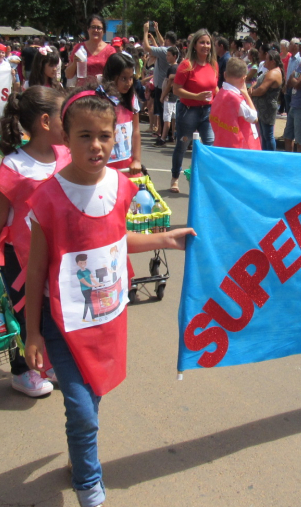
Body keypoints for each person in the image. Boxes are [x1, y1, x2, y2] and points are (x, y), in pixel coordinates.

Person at [23, 82, 195, 507]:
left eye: (105, 135)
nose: (97, 145)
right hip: (62, 323)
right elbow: (35, 270)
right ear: (65, 137)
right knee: (81, 409)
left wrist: (164, 239)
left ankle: (80, 454)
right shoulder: (47, 197)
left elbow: (116, 242)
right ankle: (89, 485)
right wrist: (32, 333)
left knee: (92, 396)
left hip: (107, 317)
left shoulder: (121, 187)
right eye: (85, 136)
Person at [0, 86, 71, 397]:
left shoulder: (66, 154)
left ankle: (46, 359)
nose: (68, 124)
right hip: (20, 255)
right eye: (64, 117)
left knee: (52, 306)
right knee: (22, 311)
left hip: (58, 250)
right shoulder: (14, 165)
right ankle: (21, 371)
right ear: (45, 121)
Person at [169, 29, 218, 192]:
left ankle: (207, 181)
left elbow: (214, 87)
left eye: (208, 42)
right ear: (195, 45)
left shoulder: (213, 64)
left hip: (207, 112)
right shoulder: (186, 64)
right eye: (202, 42)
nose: (206, 46)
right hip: (188, 111)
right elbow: (176, 89)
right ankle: (175, 178)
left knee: (210, 146)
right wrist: (196, 96)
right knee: (182, 145)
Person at [102, 52, 143, 175]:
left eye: (131, 78)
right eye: (123, 78)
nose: (128, 83)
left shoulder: (131, 99)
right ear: (111, 77)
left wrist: (136, 160)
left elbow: (136, 131)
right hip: (104, 166)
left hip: (126, 166)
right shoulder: (100, 99)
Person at [210, 57, 261, 150]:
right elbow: (254, 118)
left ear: (225, 74)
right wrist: (246, 94)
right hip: (236, 148)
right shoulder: (237, 99)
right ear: (244, 78)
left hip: (220, 144)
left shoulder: (220, 93)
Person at [248, 47, 284, 151]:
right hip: (263, 108)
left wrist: (251, 93)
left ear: (272, 61)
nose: (264, 61)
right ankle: (265, 154)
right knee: (264, 135)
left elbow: (262, 90)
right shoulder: (270, 71)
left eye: (267, 59)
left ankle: (271, 156)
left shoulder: (273, 73)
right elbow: (257, 84)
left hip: (267, 109)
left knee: (268, 135)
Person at [66, 15, 116, 86]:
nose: (96, 30)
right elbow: (68, 75)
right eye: (93, 27)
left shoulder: (110, 51)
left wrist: (104, 77)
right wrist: (74, 63)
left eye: (99, 28)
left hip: (102, 92)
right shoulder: (79, 48)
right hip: (82, 92)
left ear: (104, 31)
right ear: (88, 29)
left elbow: (115, 75)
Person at [158, 46, 181, 145]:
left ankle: (163, 138)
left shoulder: (172, 68)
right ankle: (172, 136)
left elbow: (169, 84)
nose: (167, 57)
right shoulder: (177, 67)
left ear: (175, 56)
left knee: (167, 118)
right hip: (175, 97)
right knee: (173, 118)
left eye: (169, 55)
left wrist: (163, 95)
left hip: (169, 97)